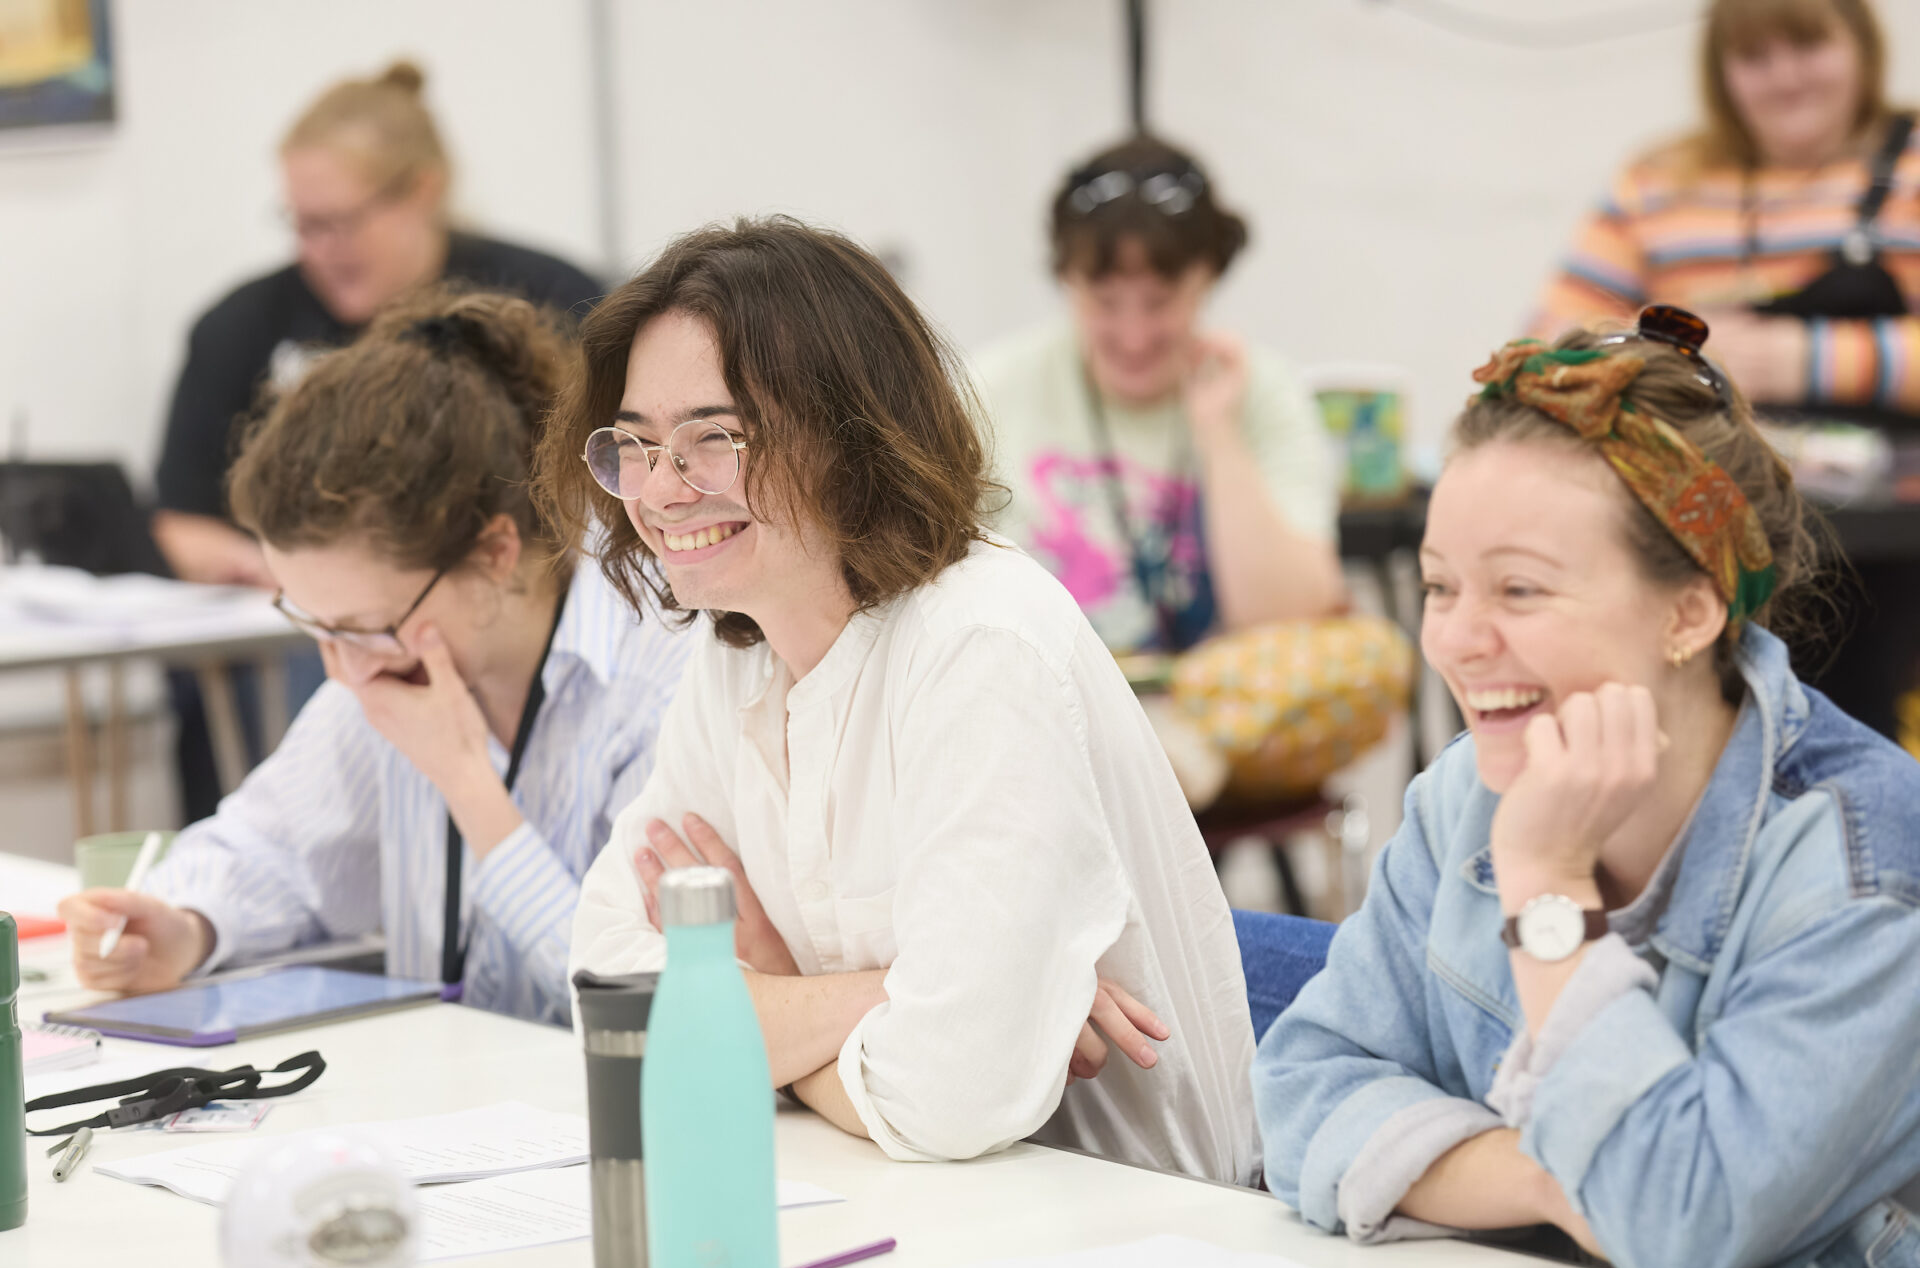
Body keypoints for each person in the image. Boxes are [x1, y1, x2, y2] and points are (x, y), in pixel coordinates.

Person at [549, 217, 1257, 1183]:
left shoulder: (980, 644)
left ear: (851, 432)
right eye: (635, 444)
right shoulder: (739, 649)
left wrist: (758, 1014)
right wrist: (881, 999)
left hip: (1139, 1228)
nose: (662, 491)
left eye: (713, 438)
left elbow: (947, 1098)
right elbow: (609, 1001)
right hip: (916, 1206)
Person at [1253, 308, 1920, 1268]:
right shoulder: (1461, 798)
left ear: (1690, 610)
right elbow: (1303, 1091)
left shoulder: (1865, 862)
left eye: (1520, 590)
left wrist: (1549, 885)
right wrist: (1547, 1181)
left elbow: (1681, 1226)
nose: (1458, 640)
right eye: (1440, 587)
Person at [58, 290, 690, 1027]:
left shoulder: (661, 674)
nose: (342, 669)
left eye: (366, 625)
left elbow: (640, 1004)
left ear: (493, 552)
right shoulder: (384, 659)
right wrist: (187, 926)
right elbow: (268, 849)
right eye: (316, 627)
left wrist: (468, 786)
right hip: (458, 1120)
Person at [1532, 0, 1918, 736]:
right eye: (1755, 57)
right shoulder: (1658, 185)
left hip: (1886, 550)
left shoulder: (1910, 170)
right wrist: (1671, 351)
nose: (1784, 77)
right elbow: (1557, 344)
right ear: (1720, 71)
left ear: (1861, 45)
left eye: (1807, 47)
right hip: (1704, 526)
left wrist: (1798, 361)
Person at [153, 60, 602, 590]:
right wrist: (279, 571)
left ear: (423, 191)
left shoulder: (549, 300)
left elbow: (609, 482)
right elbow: (181, 521)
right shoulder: (239, 326)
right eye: (302, 223)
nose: (318, 251)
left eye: (339, 223)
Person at [974, 135, 1344, 657]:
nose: (1134, 336)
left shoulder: (1262, 391)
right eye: (1105, 302)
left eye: (1160, 302)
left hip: (1216, 724)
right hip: (1045, 712)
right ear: (1066, 280)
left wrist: (1218, 431)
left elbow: (1288, 614)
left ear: (1207, 279)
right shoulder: (988, 390)